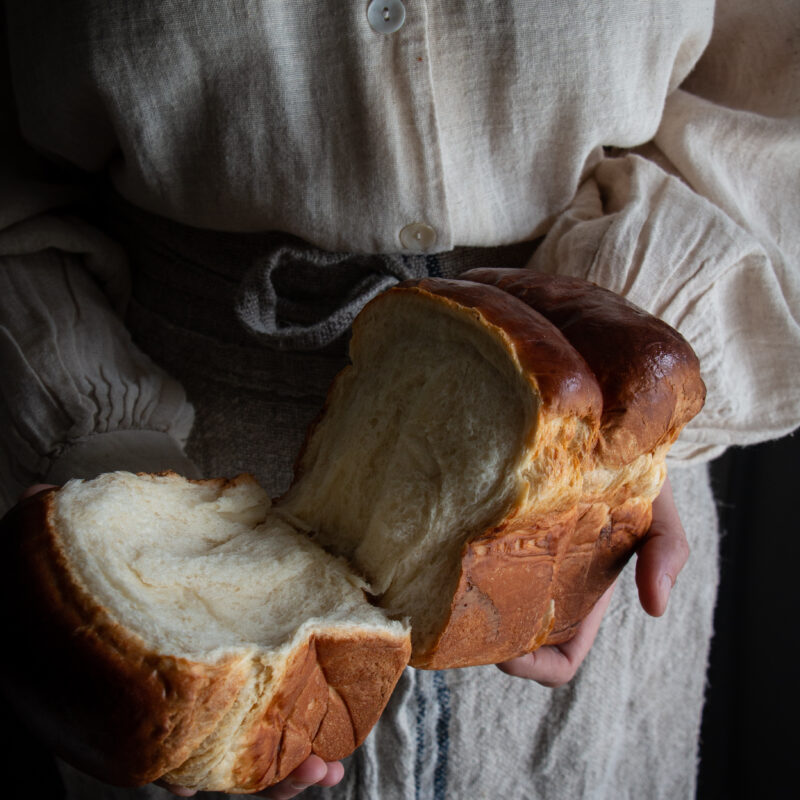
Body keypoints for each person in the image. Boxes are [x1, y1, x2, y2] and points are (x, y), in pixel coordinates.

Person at [1, 1, 798, 798]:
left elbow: (777, 116)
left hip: (588, 438)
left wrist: (604, 424)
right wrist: (94, 444)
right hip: (161, 475)